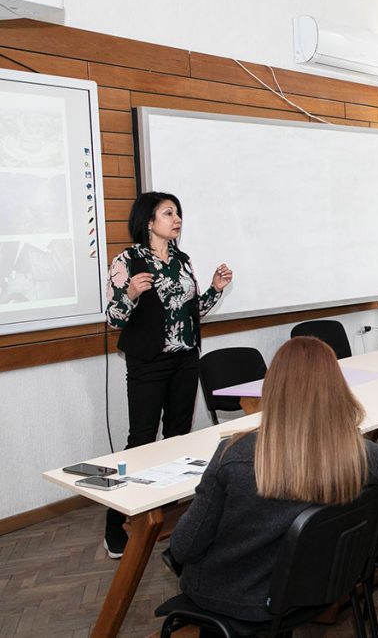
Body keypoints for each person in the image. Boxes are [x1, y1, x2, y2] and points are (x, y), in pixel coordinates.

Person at [169, 337, 378, 622]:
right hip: (314, 589)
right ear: (337, 389)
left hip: (234, 597)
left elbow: (183, 547)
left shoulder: (234, 454)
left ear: (271, 388)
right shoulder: (353, 452)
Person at [103, 191, 233, 558]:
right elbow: (113, 319)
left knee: (178, 437)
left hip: (185, 359)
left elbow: (191, 311)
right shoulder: (127, 260)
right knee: (141, 440)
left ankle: (169, 513)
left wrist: (215, 289)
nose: (177, 219)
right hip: (148, 362)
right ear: (148, 221)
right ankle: (115, 523)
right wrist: (130, 293)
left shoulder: (181, 260)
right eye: (168, 213)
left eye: (178, 213)